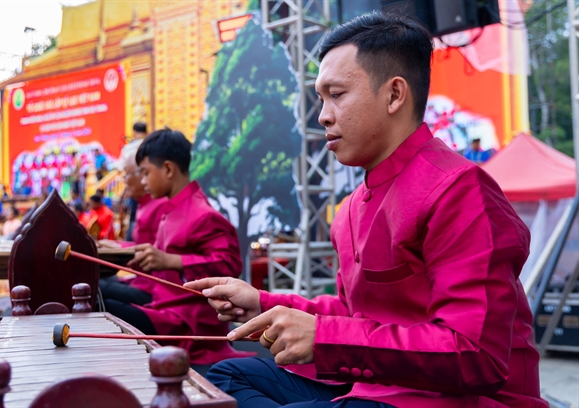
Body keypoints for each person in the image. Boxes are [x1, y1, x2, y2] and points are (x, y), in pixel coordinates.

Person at [186, 12, 546, 408]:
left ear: (394, 95)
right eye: (321, 98)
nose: (323, 115)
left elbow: (475, 354)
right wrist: (262, 303)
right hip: (375, 384)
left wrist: (325, 337)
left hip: (457, 400)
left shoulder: (459, 190)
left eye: (337, 95)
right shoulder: (352, 208)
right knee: (226, 377)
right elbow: (354, 314)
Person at [105, 128, 251, 365]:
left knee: (103, 303)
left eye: (145, 173)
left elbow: (229, 265)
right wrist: (117, 250)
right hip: (162, 306)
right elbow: (157, 258)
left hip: (187, 323)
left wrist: (171, 261)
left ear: (168, 169)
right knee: (99, 295)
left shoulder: (201, 214)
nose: (143, 181)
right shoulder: (171, 209)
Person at [98, 139, 168, 306]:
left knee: (94, 289)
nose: (124, 180)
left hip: (155, 291)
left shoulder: (161, 205)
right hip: (140, 281)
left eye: (127, 174)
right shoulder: (144, 204)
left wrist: (119, 250)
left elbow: (157, 255)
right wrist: (115, 246)